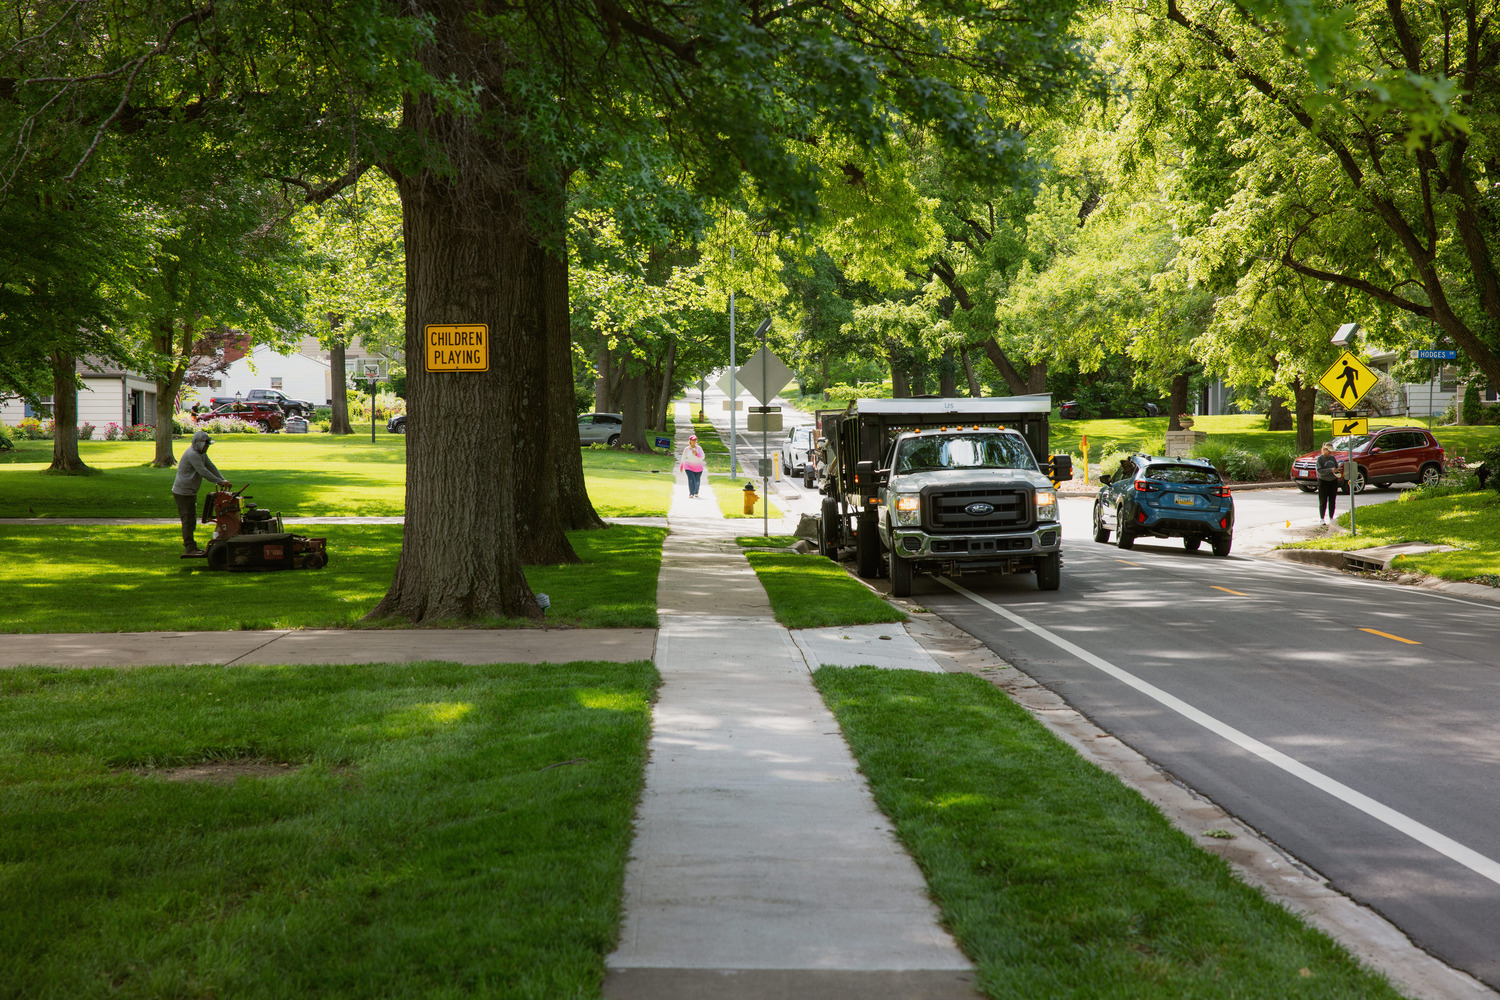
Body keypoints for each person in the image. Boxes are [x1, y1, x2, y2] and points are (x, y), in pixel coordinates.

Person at [172, 429, 231, 556]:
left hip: (190, 491)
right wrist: (220, 482)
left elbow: (211, 466)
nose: (207, 448)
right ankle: (189, 547)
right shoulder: (192, 454)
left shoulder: (201, 454)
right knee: (188, 520)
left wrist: (223, 479)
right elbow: (203, 472)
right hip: (183, 492)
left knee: (191, 519)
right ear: (199, 443)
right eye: (206, 445)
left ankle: (192, 546)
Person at [1315, 442, 1341, 526]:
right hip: (1323, 481)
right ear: (1324, 449)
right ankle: (1322, 518)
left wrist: (1337, 470)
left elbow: (1336, 467)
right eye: (1328, 451)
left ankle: (1331, 517)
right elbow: (1319, 471)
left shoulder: (1332, 458)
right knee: (1323, 500)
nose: (1330, 453)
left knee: (1332, 500)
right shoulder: (1320, 459)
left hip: (1333, 481)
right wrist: (1330, 470)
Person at [679, 433, 707, 498]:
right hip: (689, 467)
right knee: (691, 479)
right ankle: (691, 493)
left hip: (698, 468)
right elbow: (683, 458)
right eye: (693, 440)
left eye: (695, 440)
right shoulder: (686, 449)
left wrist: (696, 454)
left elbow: (703, 457)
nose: (694, 441)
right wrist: (681, 466)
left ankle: (696, 492)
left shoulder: (699, 448)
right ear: (690, 441)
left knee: (697, 480)